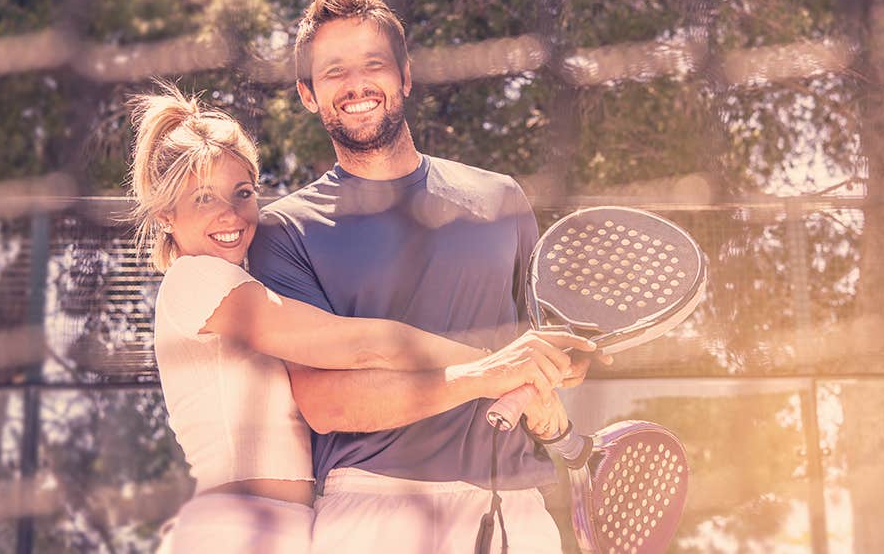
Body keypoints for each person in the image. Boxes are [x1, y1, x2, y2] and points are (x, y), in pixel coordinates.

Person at [128, 82, 592, 554]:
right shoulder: (197, 282)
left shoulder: (245, 282)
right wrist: (500, 367)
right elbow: (362, 345)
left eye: (242, 193)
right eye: (204, 198)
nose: (232, 215)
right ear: (165, 214)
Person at [247, 0, 602, 554]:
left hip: (512, 505)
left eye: (374, 64)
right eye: (333, 71)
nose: (356, 84)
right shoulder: (285, 232)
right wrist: (485, 376)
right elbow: (324, 402)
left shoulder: (501, 199)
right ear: (308, 93)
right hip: (372, 509)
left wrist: (555, 369)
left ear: (405, 77)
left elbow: (546, 350)